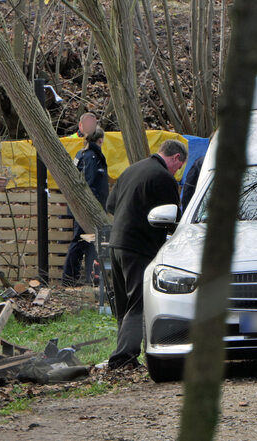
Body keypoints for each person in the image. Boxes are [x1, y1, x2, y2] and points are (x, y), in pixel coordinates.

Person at [105, 140, 187, 369]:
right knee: (139, 302)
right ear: (176, 158)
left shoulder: (131, 170)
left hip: (116, 245)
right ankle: (123, 358)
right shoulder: (163, 178)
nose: (177, 172)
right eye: (178, 168)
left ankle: (125, 356)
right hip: (139, 247)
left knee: (124, 303)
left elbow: (110, 206)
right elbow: (172, 218)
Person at [62, 128, 109, 286]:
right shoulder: (92, 157)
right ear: (100, 140)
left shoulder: (81, 154)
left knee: (86, 243)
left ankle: (82, 277)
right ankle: (69, 279)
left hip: (83, 206)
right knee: (79, 241)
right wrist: (94, 206)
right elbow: (89, 183)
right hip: (88, 207)